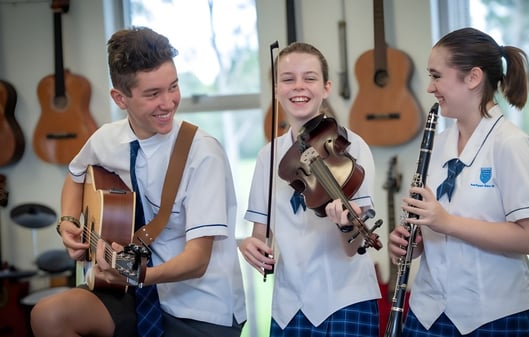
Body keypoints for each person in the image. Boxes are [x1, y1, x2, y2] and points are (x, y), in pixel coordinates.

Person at [30, 26, 246, 337]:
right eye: (152, 94)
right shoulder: (106, 139)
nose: (168, 102)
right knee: (47, 316)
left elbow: (197, 261)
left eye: (173, 87)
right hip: (127, 290)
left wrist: (136, 275)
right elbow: (75, 177)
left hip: (199, 306)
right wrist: (67, 222)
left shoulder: (203, 152)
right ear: (120, 98)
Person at [387, 27, 529, 336]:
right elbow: (432, 226)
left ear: (473, 78)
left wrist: (446, 222)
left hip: (494, 315)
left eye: (437, 76)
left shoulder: (511, 145)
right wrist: (413, 241)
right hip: (427, 313)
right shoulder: (436, 144)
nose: (430, 88)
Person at [238, 42, 381, 337]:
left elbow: (354, 248)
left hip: (346, 300)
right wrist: (249, 247)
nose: (298, 86)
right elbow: (260, 236)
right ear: (276, 89)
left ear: (326, 87)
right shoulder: (269, 155)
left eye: (310, 78)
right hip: (289, 306)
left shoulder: (352, 148)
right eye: (288, 79)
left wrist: (345, 228)